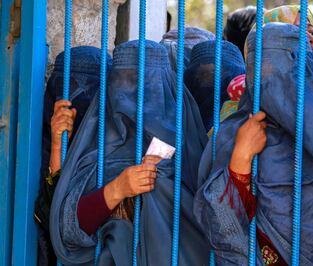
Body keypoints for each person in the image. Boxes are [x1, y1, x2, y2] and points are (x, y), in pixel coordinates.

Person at [50, 40, 210, 265]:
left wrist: (163, 178)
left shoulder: (191, 151)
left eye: (147, 84)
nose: (132, 96)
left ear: (167, 84)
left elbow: (212, 226)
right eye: (123, 82)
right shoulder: (94, 151)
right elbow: (66, 231)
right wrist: (118, 188)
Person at [194, 23, 313, 265]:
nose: (271, 80)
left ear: (306, 67)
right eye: (261, 71)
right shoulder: (232, 133)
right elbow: (218, 222)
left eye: (284, 68)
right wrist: (240, 159)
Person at [34, 46, 111, 266]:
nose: (78, 101)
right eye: (71, 87)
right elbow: (51, 218)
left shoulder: (117, 144)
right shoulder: (34, 145)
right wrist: (58, 147)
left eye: (90, 91)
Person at [184, 40, 246, 132]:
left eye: (214, 73)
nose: (207, 80)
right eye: (202, 74)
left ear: (231, 73)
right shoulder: (183, 108)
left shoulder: (244, 110)